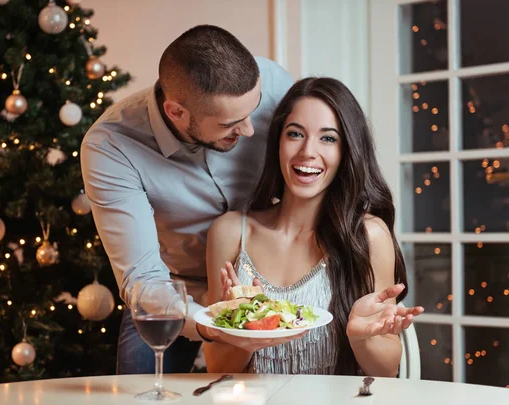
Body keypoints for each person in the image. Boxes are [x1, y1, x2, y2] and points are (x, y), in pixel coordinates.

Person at [80, 25, 294, 374]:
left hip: (270, 281)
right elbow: (145, 279)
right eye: (231, 124)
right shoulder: (111, 146)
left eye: (253, 112)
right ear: (177, 112)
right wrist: (217, 324)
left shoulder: (270, 81)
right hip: (175, 292)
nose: (251, 130)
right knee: (140, 393)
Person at [200, 77, 424, 376]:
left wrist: (360, 338)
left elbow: (386, 370)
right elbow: (218, 367)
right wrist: (243, 330)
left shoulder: (368, 236)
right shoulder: (229, 232)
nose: (307, 151)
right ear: (278, 142)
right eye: (295, 134)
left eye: (328, 138)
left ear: (347, 151)